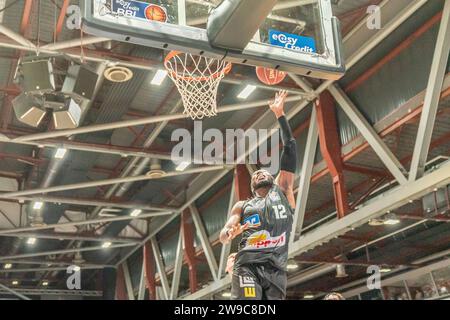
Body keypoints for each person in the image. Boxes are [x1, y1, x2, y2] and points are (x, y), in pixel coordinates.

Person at [219, 90, 297, 300]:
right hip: (247, 266)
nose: (260, 172)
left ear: (272, 178)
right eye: (256, 174)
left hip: (276, 269)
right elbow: (224, 235)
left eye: (264, 171)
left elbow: (290, 147)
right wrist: (229, 233)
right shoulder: (242, 206)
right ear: (253, 186)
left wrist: (280, 114)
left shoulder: (283, 189)